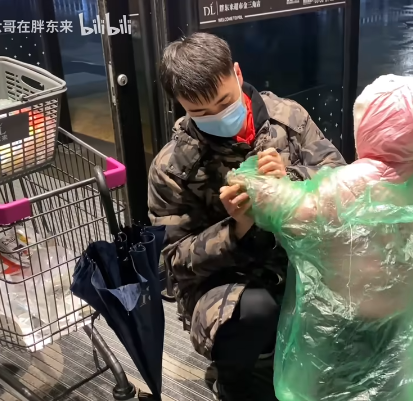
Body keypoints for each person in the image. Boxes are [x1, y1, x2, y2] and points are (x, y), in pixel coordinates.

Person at [227, 75, 413, 401]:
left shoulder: (349, 184)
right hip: (401, 310)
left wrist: (256, 184)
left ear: (372, 127)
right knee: (391, 380)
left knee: (344, 384)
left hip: (349, 315)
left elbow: (297, 210)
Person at [147, 32, 346, 400]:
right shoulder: (172, 167)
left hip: (301, 260)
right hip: (227, 282)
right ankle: (232, 380)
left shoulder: (288, 119)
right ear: (180, 105)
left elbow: (339, 178)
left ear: (237, 74)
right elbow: (171, 264)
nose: (218, 117)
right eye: (200, 113)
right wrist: (236, 228)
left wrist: (289, 182)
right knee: (256, 310)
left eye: (225, 102)